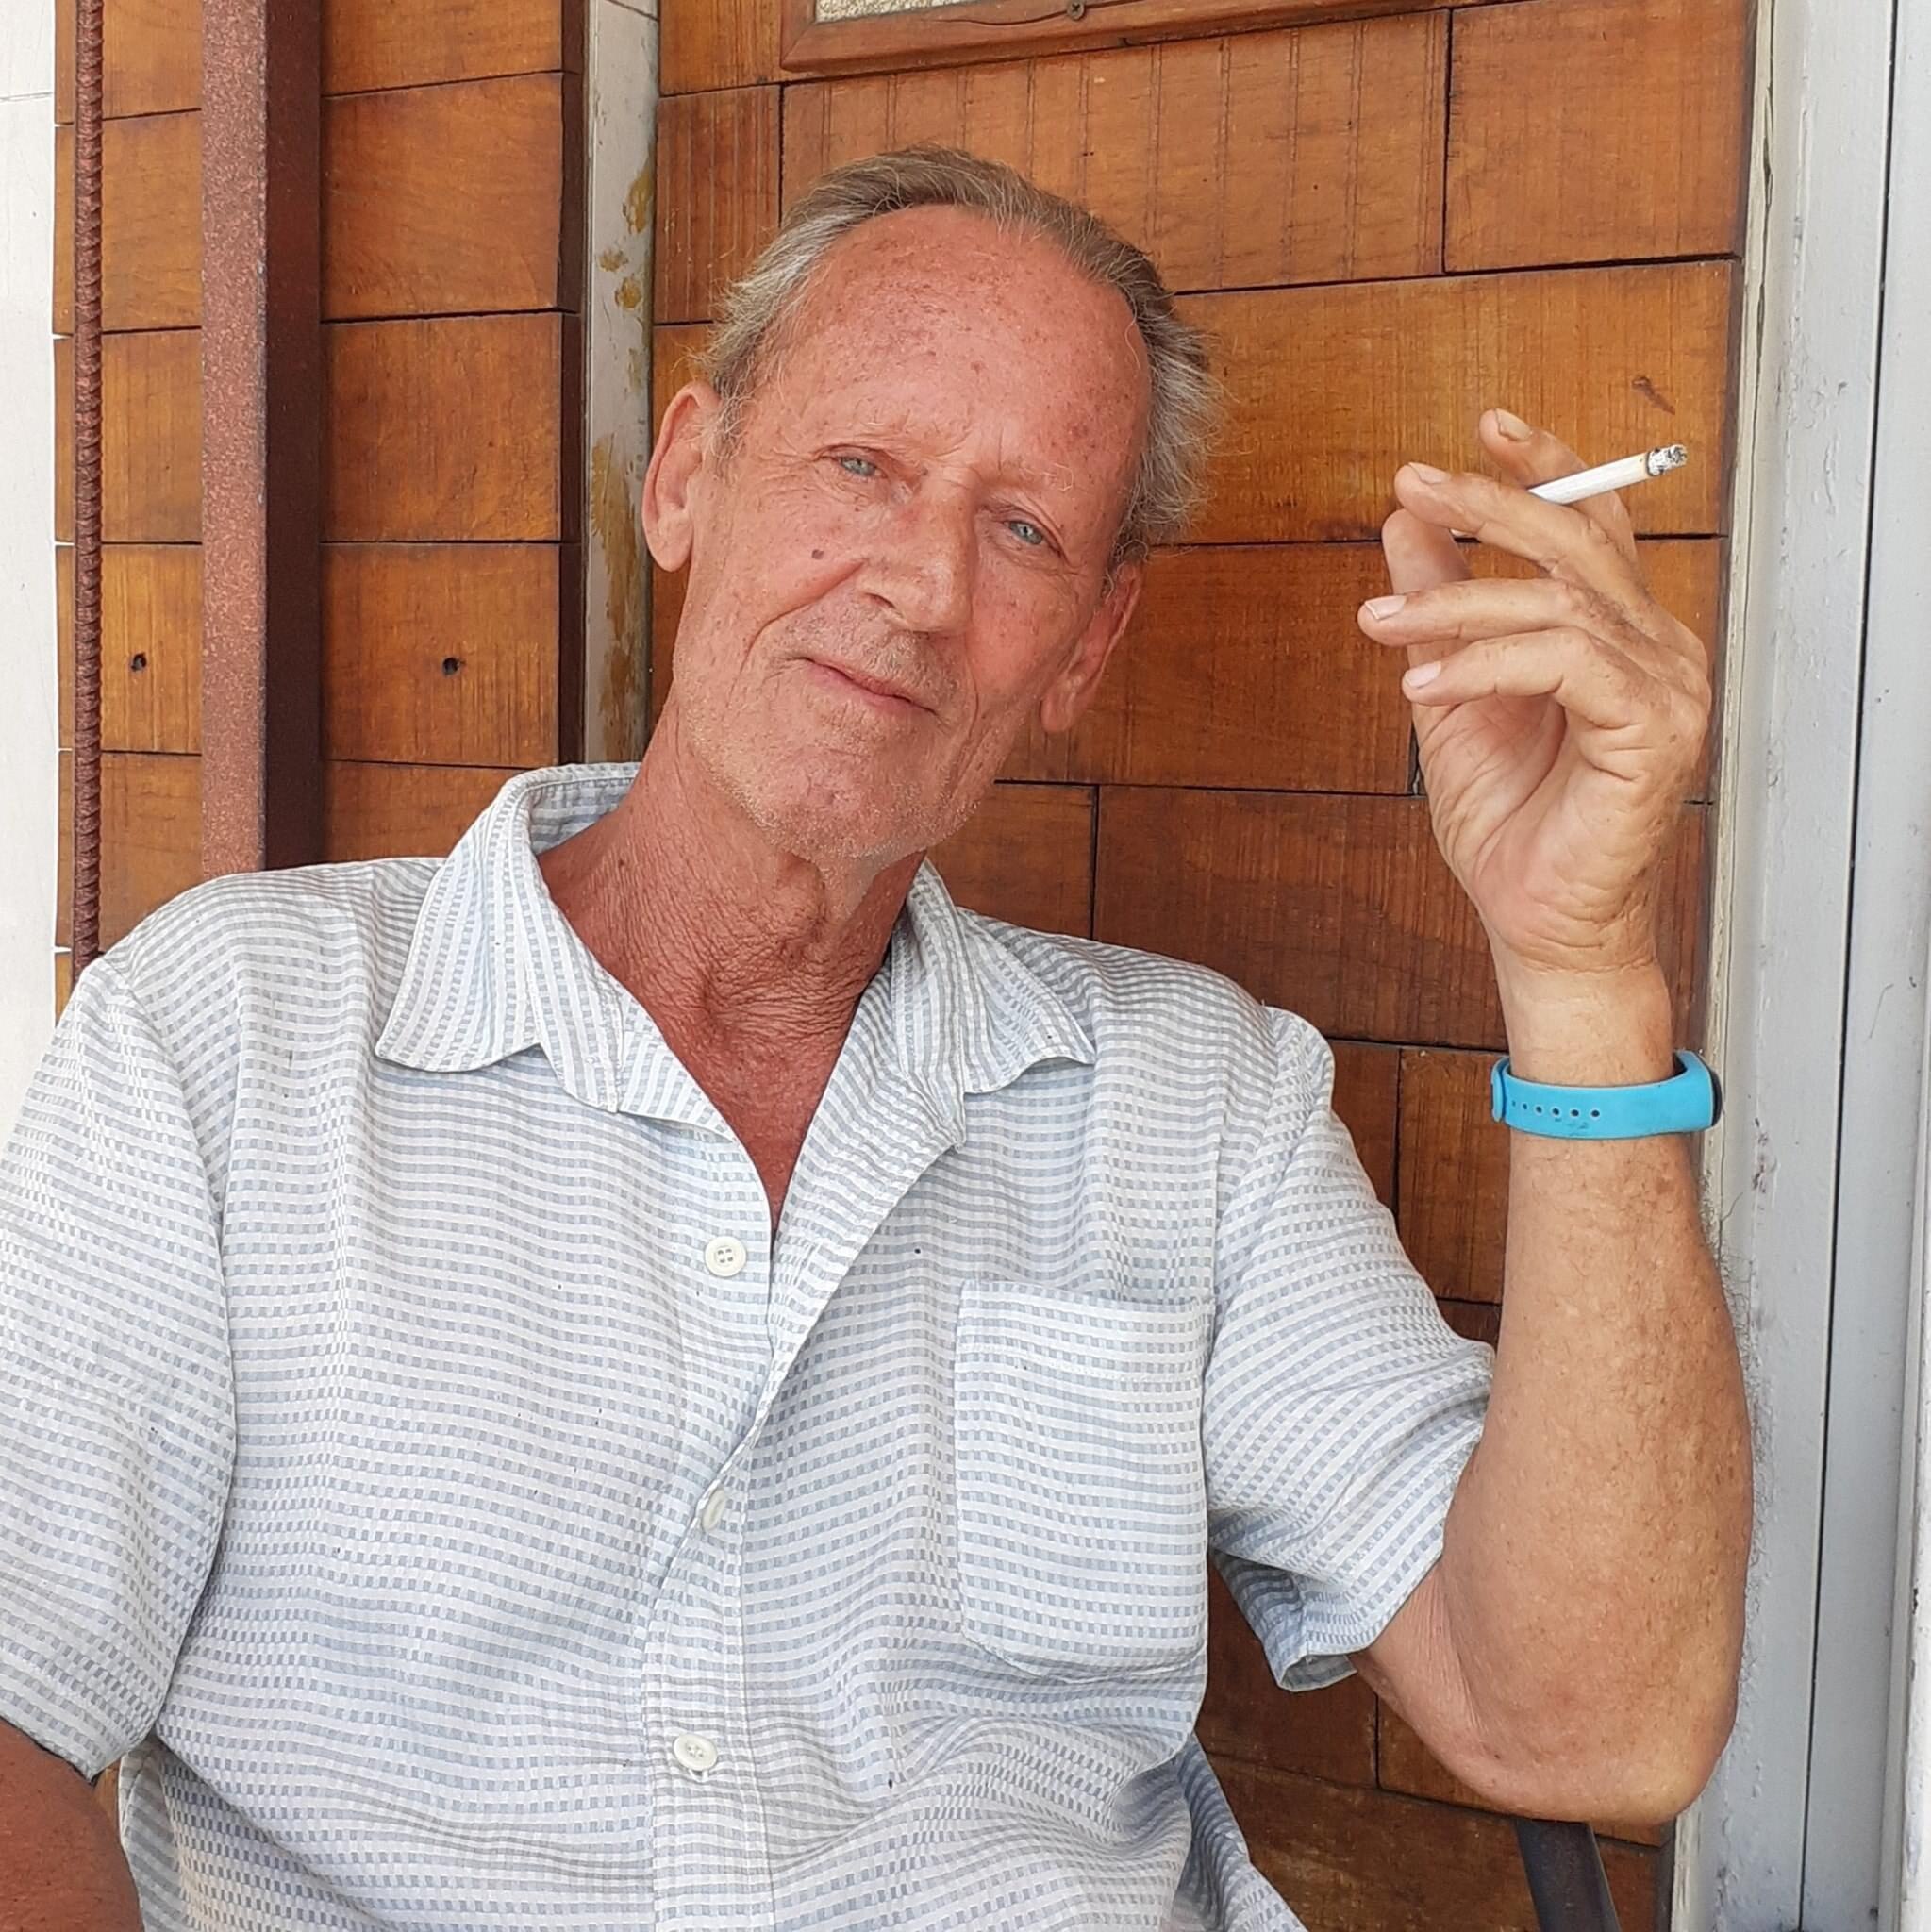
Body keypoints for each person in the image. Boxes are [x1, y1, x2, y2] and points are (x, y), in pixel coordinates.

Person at [0, 147, 1748, 1931]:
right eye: (862, 466)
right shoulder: (229, 1034)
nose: (918, 584)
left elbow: (1592, 1727)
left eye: (1021, 531)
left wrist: (1584, 963)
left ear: (1083, 645)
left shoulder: (1198, 1108)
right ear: (688, 476)